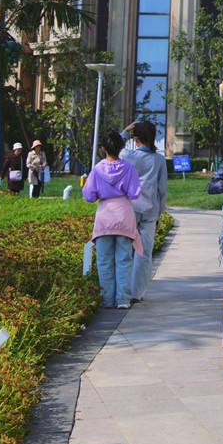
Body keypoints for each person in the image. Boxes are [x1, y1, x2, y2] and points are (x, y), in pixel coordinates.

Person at [82, 129, 142, 309]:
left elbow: (89, 195)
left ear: (103, 148)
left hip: (104, 217)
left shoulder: (96, 170)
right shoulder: (129, 168)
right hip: (124, 215)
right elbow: (134, 192)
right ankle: (123, 300)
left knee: (104, 261)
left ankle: (107, 299)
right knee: (124, 261)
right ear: (122, 147)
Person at [121, 119, 170, 303]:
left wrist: (125, 131)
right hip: (150, 210)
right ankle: (137, 293)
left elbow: (114, 146)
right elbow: (162, 190)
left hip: (130, 209)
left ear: (136, 139)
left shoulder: (128, 155)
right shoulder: (158, 160)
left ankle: (123, 290)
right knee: (143, 253)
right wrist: (159, 214)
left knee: (126, 250)